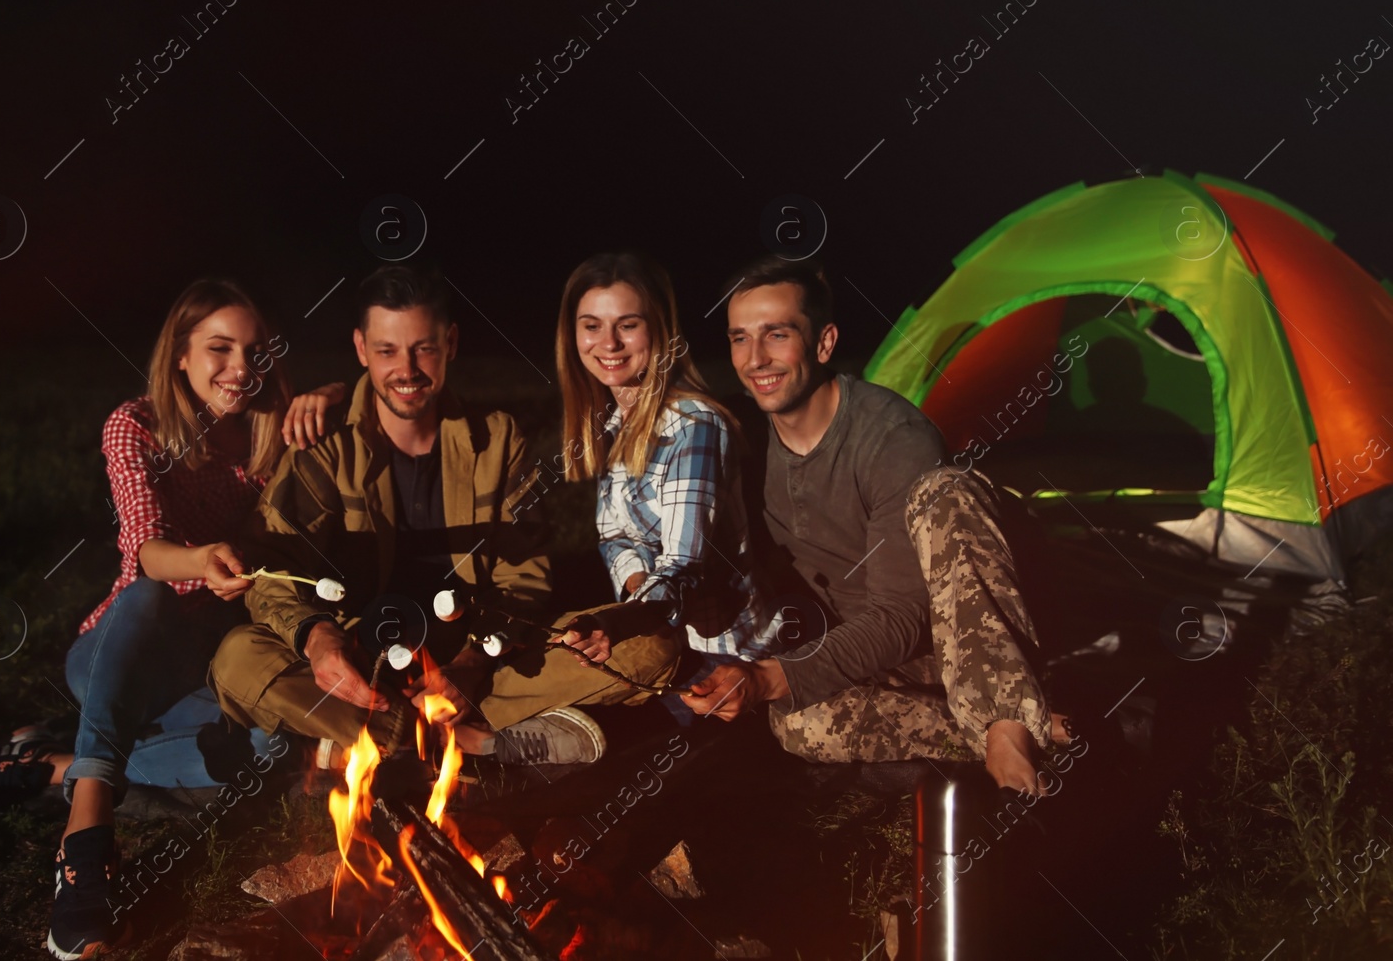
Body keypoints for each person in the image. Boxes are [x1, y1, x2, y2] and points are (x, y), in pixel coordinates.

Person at [0, 279, 343, 959]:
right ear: (179, 353)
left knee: (271, 748)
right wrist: (202, 557)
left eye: (255, 350)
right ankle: (85, 845)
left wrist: (332, 393)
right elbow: (144, 551)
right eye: (220, 348)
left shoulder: (273, 428)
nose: (241, 367)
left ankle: (48, 767)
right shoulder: (136, 423)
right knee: (150, 595)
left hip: (211, 664)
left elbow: (376, 387)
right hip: (126, 643)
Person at [208, 264, 679, 770]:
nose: (406, 370)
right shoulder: (324, 443)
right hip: (360, 665)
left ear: (450, 343)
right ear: (362, 349)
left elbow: (523, 575)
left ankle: (375, 747)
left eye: (423, 349)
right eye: (387, 351)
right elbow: (271, 567)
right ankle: (464, 744)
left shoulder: (497, 441)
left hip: (477, 662)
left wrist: (472, 665)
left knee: (649, 648)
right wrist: (317, 637)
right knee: (237, 658)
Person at [679, 258, 1070, 796]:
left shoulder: (891, 436)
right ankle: (1008, 724)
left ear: (823, 342)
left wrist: (772, 675)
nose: (755, 359)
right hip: (873, 653)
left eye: (777, 335)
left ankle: (1007, 725)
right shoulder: (745, 446)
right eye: (740, 338)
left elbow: (907, 614)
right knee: (797, 722)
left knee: (945, 490)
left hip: (962, 636)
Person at [549, 252, 781, 720]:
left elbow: (684, 568)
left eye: (627, 325)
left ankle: (493, 729)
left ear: (659, 330)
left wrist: (628, 620)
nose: (608, 343)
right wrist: (636, 595)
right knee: (552, 641)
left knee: (588, 667)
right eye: (591, 325)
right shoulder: (616, 423)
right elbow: (613, 536)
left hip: (718, 655)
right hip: (658, 627)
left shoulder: (694, 425)